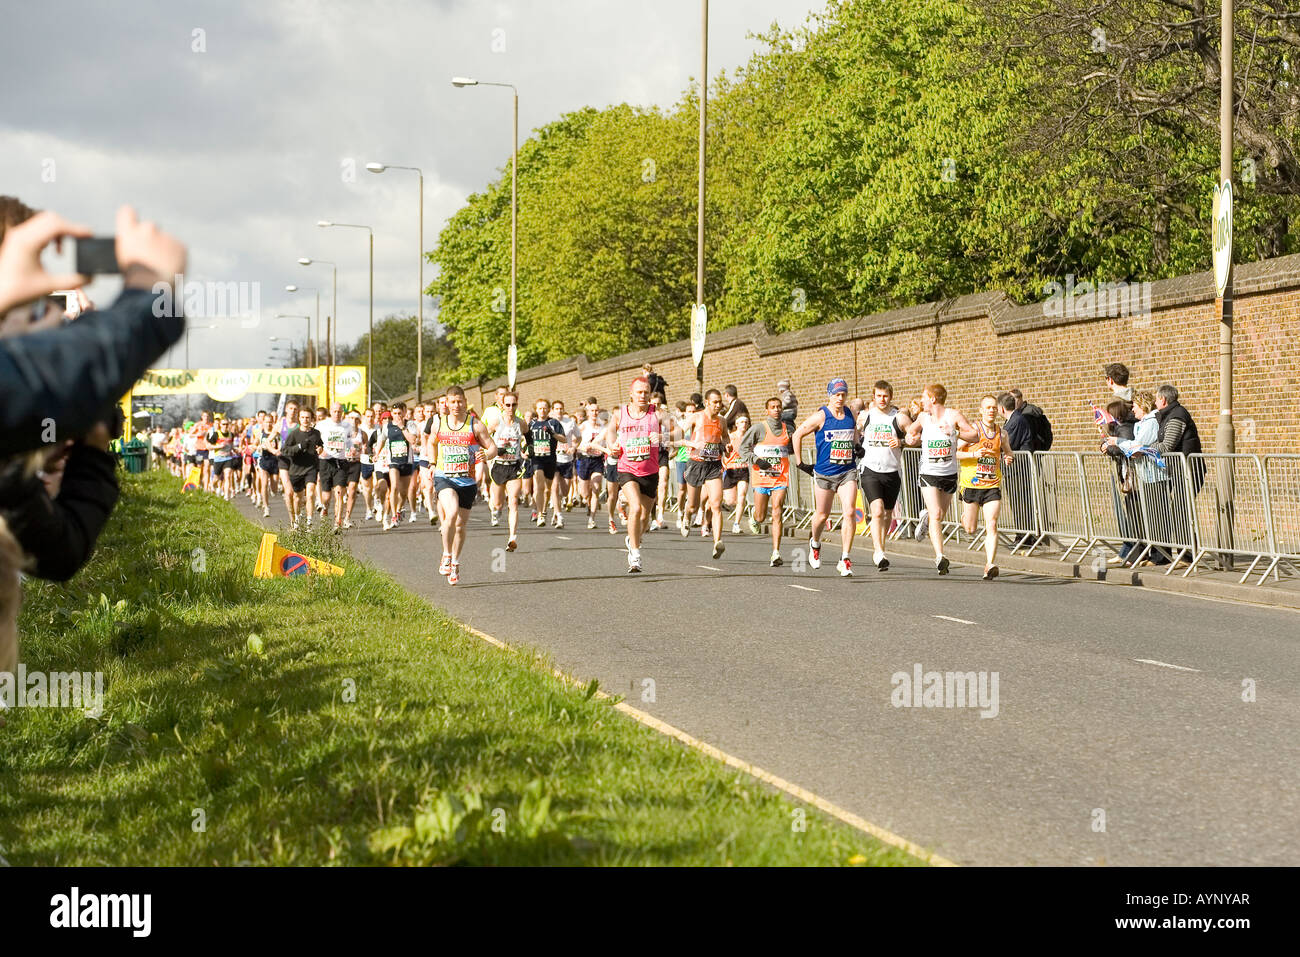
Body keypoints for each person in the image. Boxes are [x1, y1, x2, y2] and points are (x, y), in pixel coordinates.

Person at [604, 377, 676, 572]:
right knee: (635, 508)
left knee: (644, 518)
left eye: (646, 392)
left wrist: (662, 436)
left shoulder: (658, 414)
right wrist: (612, 446)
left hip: (650, 471)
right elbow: (611, 431)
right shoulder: (621, 413)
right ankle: (635, 555)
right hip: (627, 469)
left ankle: (633, 537)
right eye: (639, 392)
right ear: (631, 393)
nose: (643, 396)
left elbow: (679, 431)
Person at [428, 386, 497, 585]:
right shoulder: (438, 423)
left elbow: (492, 447)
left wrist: (486, 455)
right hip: (445, 477)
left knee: (460, 525)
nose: (456, 405)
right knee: (450, 514)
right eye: (452, 402)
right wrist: (433, 464)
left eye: (460, 401)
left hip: (467, 481)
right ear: (446, 404)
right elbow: (431, 443)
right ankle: (446, 555)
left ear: (465, 402)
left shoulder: (475, 425)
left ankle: (456, 562)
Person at [906, 384, 978, 575]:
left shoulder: (953, 416)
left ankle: (925, 518)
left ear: (933, 399)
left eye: (924, 397)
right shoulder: (923, 418)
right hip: (929, 472)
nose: (921, 401)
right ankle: (940, 557)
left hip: (949, 473)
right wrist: (911, 439)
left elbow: (975, 435)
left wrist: (954, 432)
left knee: (939, 515)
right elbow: (910, 433)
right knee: (937, 513)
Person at [792, 378, 861, 576]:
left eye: (843, 395)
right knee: (822, 516)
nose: (840, 398)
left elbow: (854, 432)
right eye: (836, 394)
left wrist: (858, 446)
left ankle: (845, 558)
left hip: (847, 471)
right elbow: (797, 435)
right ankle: (815, 543)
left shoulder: (850, 413)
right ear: (829, 395)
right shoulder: (821, 416)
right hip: (825, 474)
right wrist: (800, 462)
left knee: (849, 512)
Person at [856, 380, 913, 571]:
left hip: (892, 471)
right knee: (878, 510)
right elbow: (853, 434)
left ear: (891, 396)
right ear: (874, 397)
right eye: (879, 396)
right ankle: (878, 551)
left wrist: (902, 441)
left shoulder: (899, 418)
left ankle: (881, 547)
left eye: (886, 395)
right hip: (870, 469)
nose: (882, 399)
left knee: (888, 513)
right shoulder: (865, 417)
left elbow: (916, 437)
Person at [957, 395, 1015, 579]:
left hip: (992, 484)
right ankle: (965, 517)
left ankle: (990, 564)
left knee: (992, 524)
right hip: (971, 484)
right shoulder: (973, 431)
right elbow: (955, 453)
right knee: (970, 529)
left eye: (993, 408)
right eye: (987, 408)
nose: (991, 410)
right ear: (981, 410)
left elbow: (1008, 451)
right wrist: (974, 454)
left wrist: (1008, 458)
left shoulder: (1002, 433)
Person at [739, 396, 793, 566]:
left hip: (780, 477)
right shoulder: (758, 428)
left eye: (778, 407)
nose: (776, 409)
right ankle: (754, 518)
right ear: (767, 410)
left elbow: (793, 446)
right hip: (761, 478)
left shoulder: (787, 429)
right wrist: (756, 460)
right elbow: (742, 448)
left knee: (777, 511)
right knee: (761, 516)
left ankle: (776, 553)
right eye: (773, 407)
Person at [680, 389, 732, 559]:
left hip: (713, 465)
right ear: (707, 402)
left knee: (716, 504)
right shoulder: (696, 417)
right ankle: (687, 516)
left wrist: (727, 446)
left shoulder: (722, 421)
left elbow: (725, 438)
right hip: (696, 463)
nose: (718, 405)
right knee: (694, 505)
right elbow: (679, 434)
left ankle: (717, 542)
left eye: (720, 402)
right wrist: (690, 443)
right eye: (715, 402)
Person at [486, 390, 527, 550]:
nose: (511, 408)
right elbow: (484, 439)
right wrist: (496, 449)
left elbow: (528, 437)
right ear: (502, 405)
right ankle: (495, 510)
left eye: (514, 405)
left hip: (514, 467)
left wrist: (528, 447)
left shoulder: (521, 423)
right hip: (498, 467)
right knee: (497, 503)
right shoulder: (496, 422)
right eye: (508, 405)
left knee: (514, 500)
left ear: (517, 404)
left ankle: (512, 538)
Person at [526, 398, 567, 529]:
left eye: (545, 408)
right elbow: (525, 439)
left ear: (548, 409)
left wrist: (552, 433)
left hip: (550, 459)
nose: (542, 410)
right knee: (539, 486)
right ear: (536, 410)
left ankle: (543, 510)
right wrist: (525, 450)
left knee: (548, 489)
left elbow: (564, 439)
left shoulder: (553, 423)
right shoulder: (531, 424)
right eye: (539, 408)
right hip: (537, 459)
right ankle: (540, 515)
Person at [281, 407, 323, 530]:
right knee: (298, 497)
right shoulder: (294, 434)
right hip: (296, 469)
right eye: (303, 417)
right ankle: (298, 520)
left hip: (311, 467)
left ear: (311, 419)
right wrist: (299, 446)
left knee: (310, 494)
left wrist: (320, 449)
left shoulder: (316, 433)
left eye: (307, 418)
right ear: (299, 419)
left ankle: (309, 523)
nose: (305, 420)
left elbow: (320, 444)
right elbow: (285, 450)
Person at [317, 403, 354, 533]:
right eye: (334, 411)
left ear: (342, 412)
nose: (337, 414)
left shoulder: (348, 426)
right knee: (326, 497)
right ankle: (325, 508)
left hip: (341, 462)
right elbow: (316, 441)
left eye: (339, 411)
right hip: (325, 462)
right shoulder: (322, 425)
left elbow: (350, 443)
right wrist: (319, 450)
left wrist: (351, 450)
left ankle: (337, 522)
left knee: (339, 492)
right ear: (330, 412)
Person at [575, 400, 607, 530]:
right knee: (584, 493)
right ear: (588, 413)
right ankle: (587, 501)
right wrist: (584, 448)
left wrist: (603, 449)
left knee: (596, 488)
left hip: (597, 460)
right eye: (592, 411)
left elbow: (607, 441)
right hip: (584, 459)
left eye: (596, 411)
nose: (595, 413)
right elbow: (575, 442)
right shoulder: (583, 426)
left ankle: (592, 519)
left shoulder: (603, 427)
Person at [722, 413, 751, 534]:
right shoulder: (730, 437)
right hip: (730, 470)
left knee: (742, 496)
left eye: (746, 422)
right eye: (741, 422)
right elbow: (725, 453)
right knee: (730, 501)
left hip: (743, 469)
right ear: (736, 424)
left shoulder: (750, 438)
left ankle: (736, 524)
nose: (744, 424)